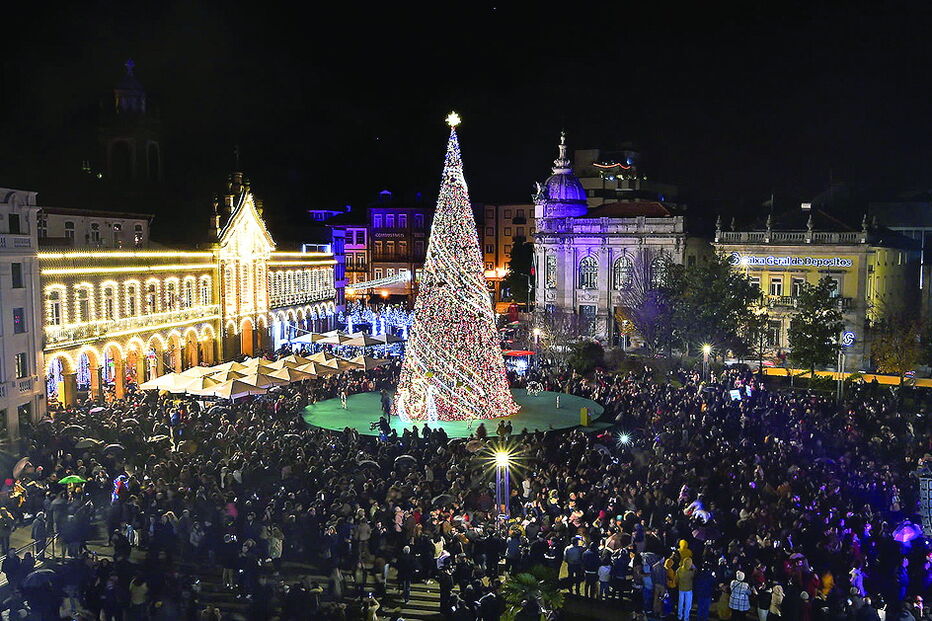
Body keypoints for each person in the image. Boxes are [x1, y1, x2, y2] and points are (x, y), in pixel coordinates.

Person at [677, 556, 695, 621]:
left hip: (681, 589)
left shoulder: (679, 570)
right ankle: (686, 618)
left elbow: (676, 579)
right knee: (688, 604)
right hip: (689, 590)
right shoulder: (691, 572)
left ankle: (679, 616)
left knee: (680, 603)